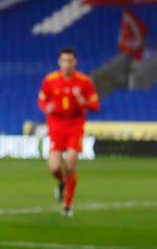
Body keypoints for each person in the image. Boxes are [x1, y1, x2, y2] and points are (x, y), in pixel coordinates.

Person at [38, 47, 100, 217]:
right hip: (56, 126)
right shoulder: (50, 80)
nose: (67, 64)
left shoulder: (84, 81)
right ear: (59, 62)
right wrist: (46, 108)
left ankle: (67, 205)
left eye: (70, 60)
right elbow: (42, 100)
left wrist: (84, 102)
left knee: (71, 161)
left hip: (75, 126)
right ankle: (62, 182)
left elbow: (96, 105)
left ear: (75, 62)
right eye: (64, 60)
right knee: (54, 168)